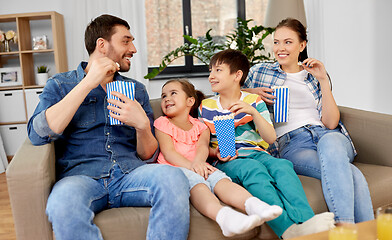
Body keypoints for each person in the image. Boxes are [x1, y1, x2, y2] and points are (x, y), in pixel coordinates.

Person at [27, 14, 190, 240]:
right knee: (62, 201)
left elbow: (148, 155)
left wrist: (142, 126)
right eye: (126, 41)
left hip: (130, 174)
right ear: (102, 45)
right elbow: (38, 134)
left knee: (172, 178)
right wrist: (88, 83)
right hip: (81, 177)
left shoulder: (136, 89)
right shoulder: (61, 84)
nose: (133, 48)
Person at [244, 18, 374, 224]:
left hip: (326, 135)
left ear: (302, 45)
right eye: (276, 42)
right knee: (353, 175)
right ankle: (361, 234)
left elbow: (331, 123)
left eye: (288, 42)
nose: (280, 48)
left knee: (331, 143)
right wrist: (251, 92)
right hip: (292, 143)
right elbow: (226, 95)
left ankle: (344, 233)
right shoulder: (259, 72)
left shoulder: (315, 75)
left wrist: (323, 80)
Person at [199, 49, 336, 239]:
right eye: (210, 71)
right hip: (229, 159)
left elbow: (271, 138)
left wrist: (253, 113)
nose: (211, 76)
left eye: (218, 70)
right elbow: (202, 142)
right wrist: (216, 153)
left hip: (258, 153)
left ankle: (307, 222)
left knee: (283, 166)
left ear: (237, 75)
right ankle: (288, 230)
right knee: (254, 171)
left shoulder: (253, 101)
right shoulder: (206, 106)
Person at [154, 79, 283, 237]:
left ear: (190, 101)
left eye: (173, 93)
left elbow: (202, 147)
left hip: (199, 165)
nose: (166, 98)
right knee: (199, 185)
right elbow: (169, 152)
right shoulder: (162, 123)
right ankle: (224, 217)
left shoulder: (201, 126)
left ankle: (255, 206)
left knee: (222, 181)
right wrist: (193, 166)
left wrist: (212, 155)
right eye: (163, 96)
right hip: (176, 169)